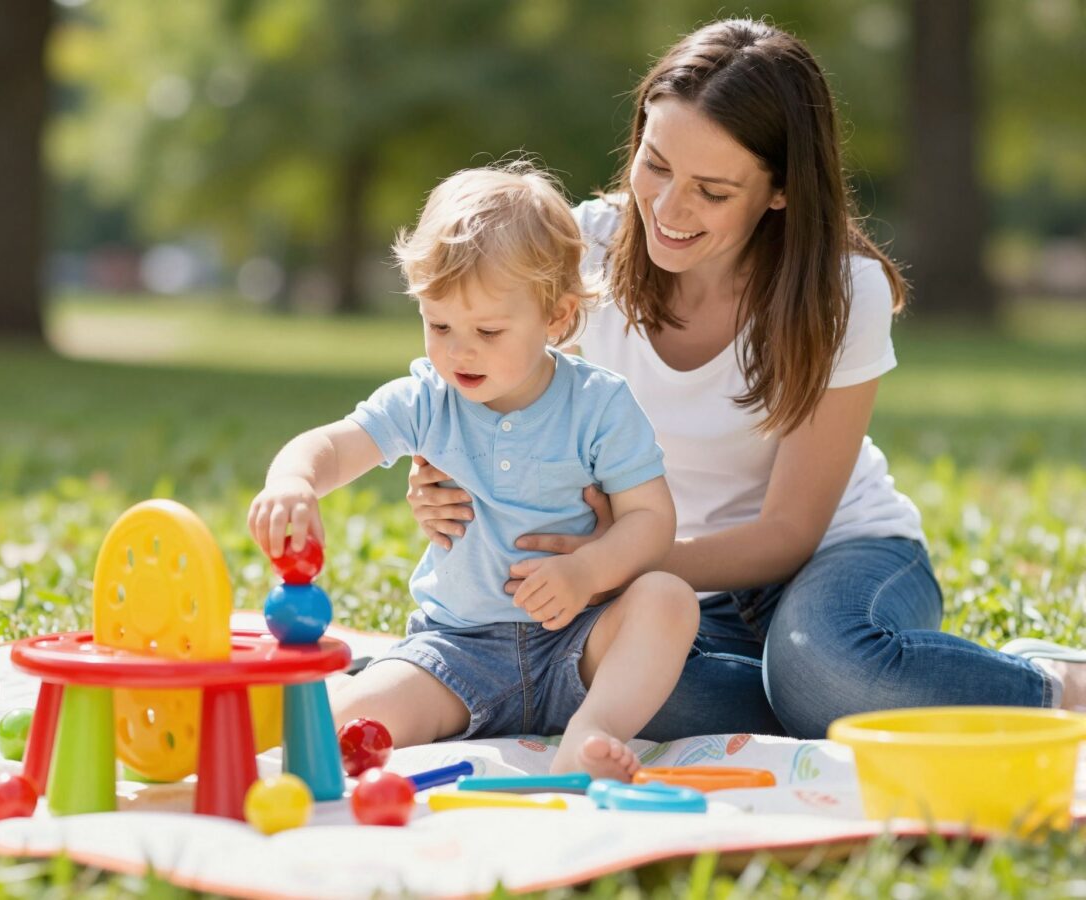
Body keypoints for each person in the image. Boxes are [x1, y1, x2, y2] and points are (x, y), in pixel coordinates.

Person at [406, 18, 1080, 741]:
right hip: (661, 585)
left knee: (825, 668)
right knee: (623, 689)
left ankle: (1054, 685)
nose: (667, 209)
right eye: (655, 164)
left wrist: (613, 559)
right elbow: (480, 380)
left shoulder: (842, 291)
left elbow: (789, 531)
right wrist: (441, 479)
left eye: (713, 191)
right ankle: (820, 697)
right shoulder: (578, 255)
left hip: (836, 558)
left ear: (780, 192)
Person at [248, 164, 700, 780]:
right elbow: (331, 445)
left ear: (558, 320)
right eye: (439, 325)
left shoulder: (600, 403)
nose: (459, 350)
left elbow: (652, 520)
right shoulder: (427, 398)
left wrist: (586, 569)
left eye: (488, 330)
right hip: (456, 653)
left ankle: (589, 734)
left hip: (578, 640)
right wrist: (292, 481)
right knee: (330, 729)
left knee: (668, 599)